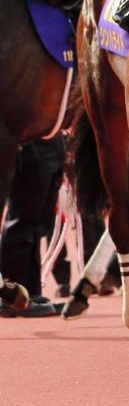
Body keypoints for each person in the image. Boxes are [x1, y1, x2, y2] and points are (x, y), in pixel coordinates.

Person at [0, 136, 67, 317]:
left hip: (52, 148)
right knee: (22, 221)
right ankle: (11, 295)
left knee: (37, 225)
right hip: (29, 145)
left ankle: (32, 292)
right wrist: (24, 144)